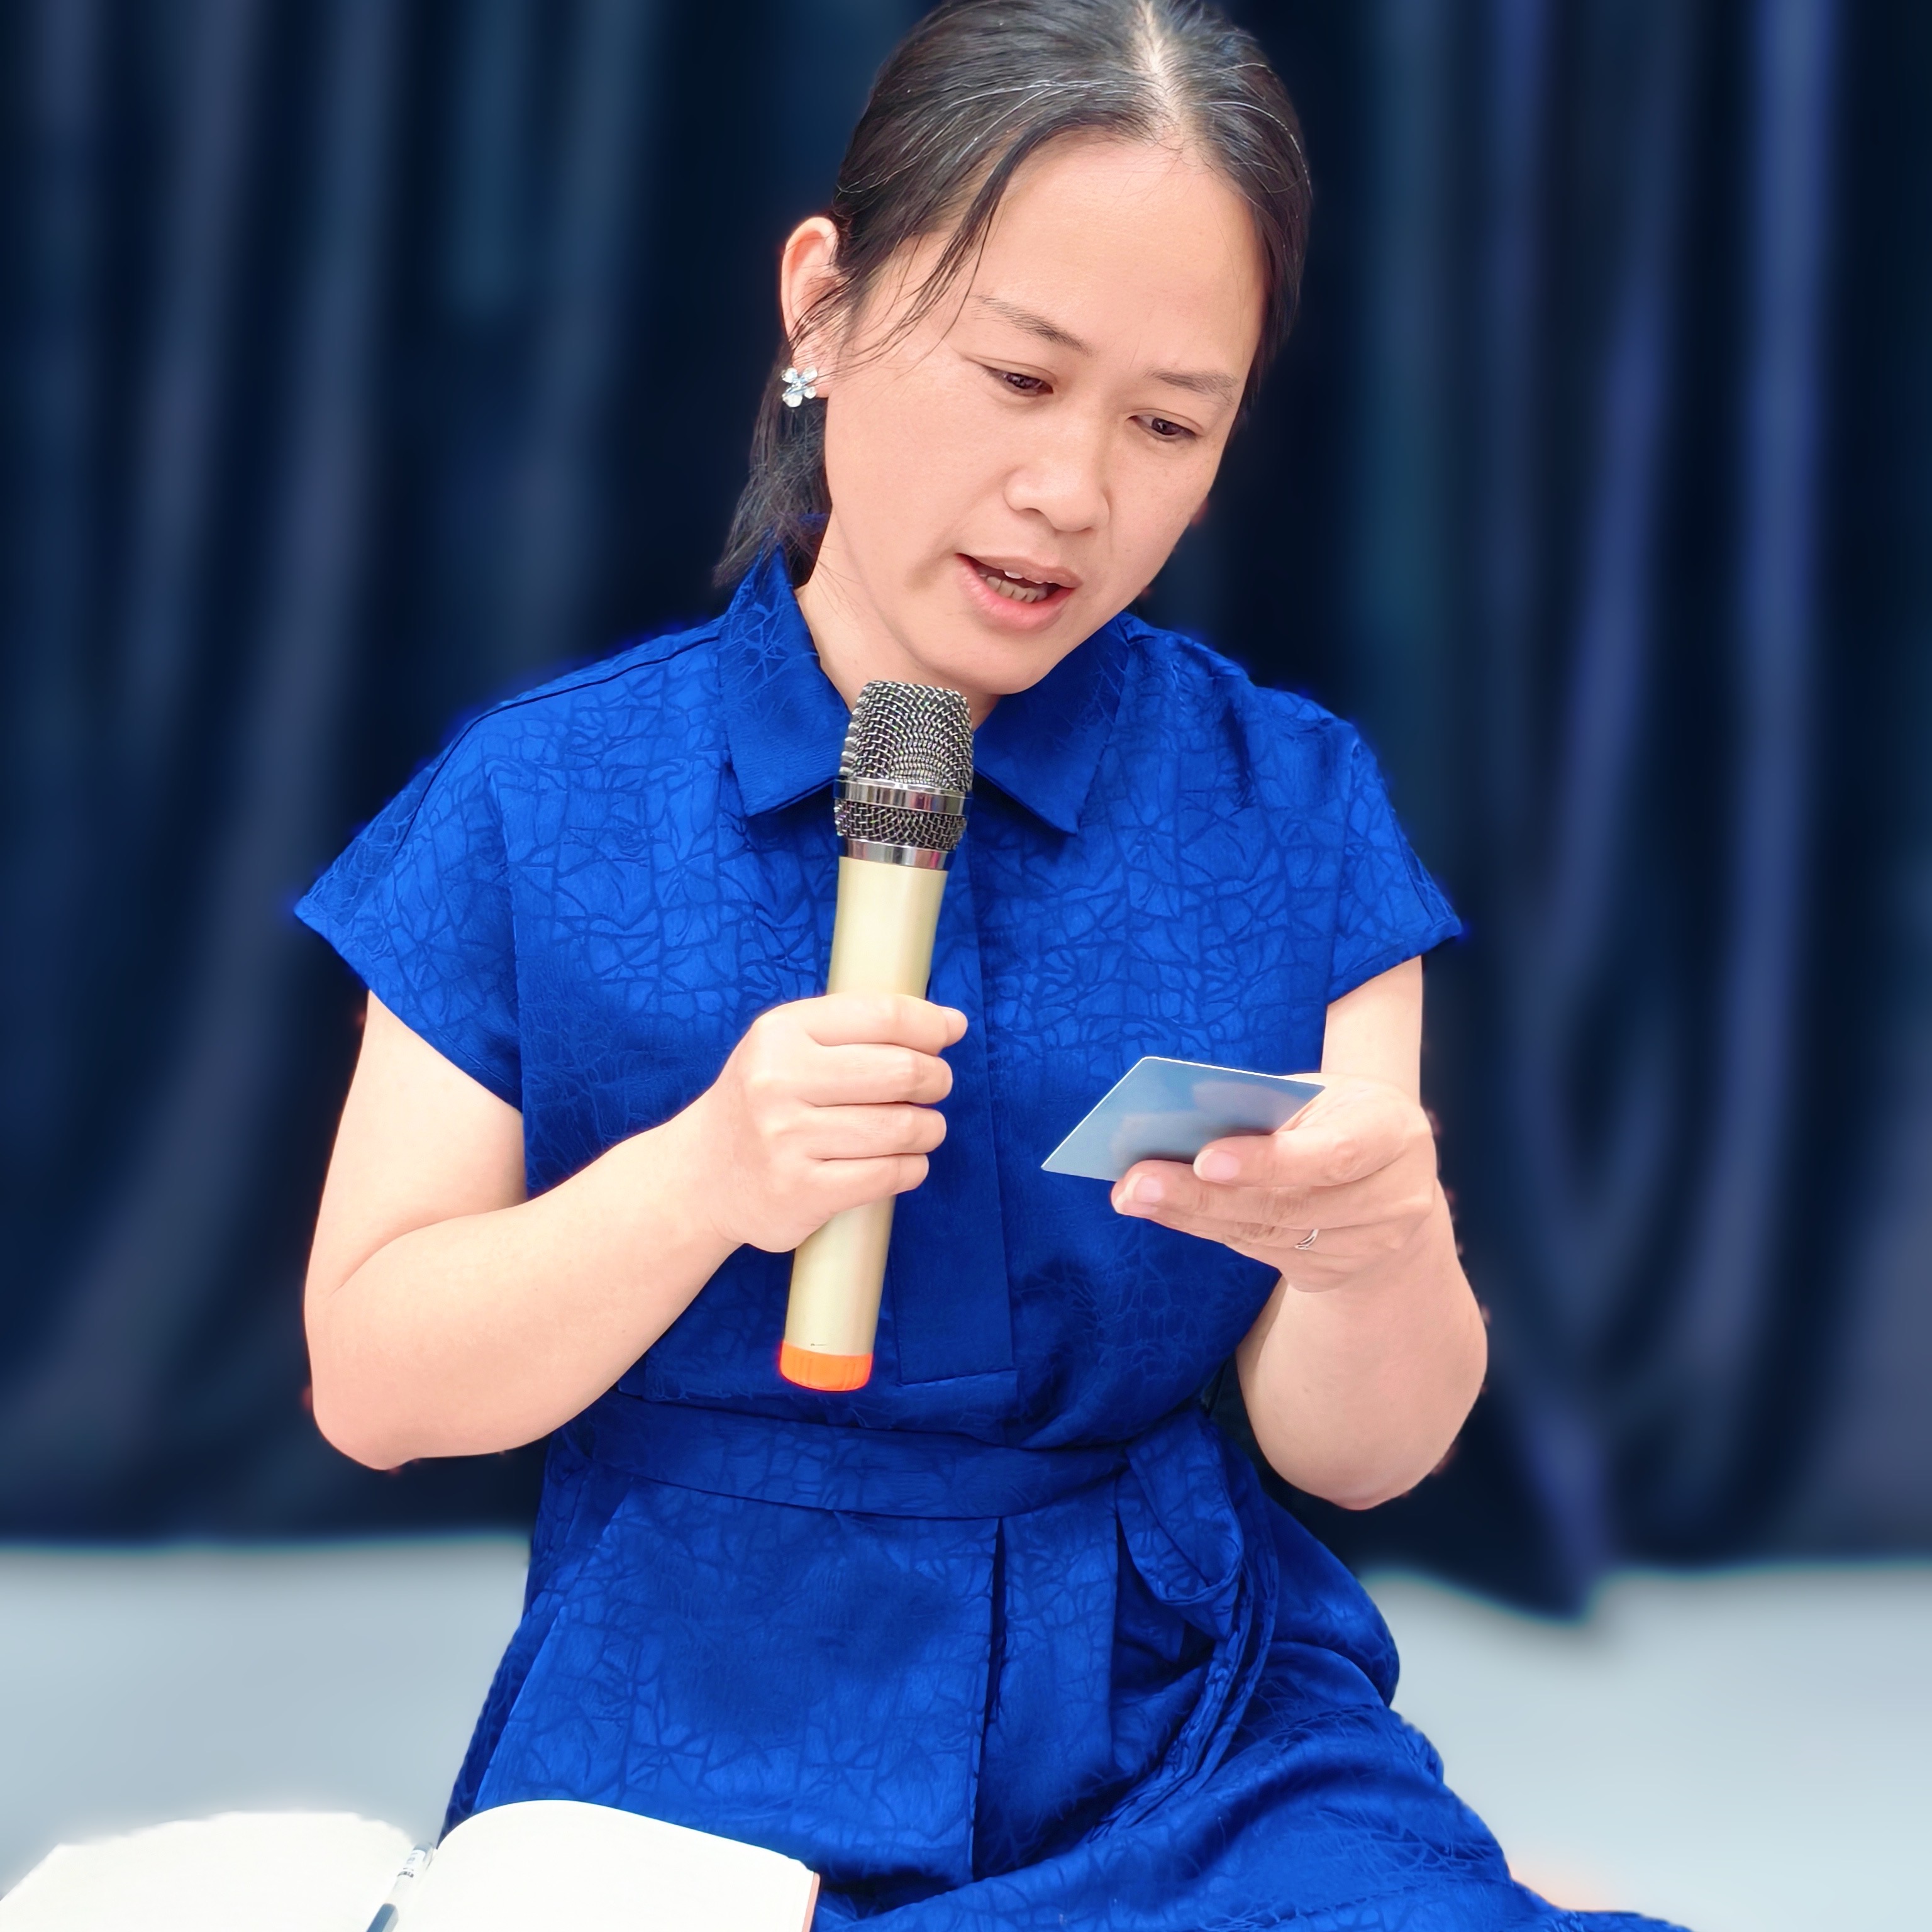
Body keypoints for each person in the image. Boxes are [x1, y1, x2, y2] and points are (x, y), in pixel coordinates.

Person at [297, 3, 1682, 1926]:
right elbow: (374, 1382)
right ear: (823, 305)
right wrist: (701, 1180)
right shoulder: (544, 800)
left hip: (1179, 1733)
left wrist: (1379, 1254)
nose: (1073, 493)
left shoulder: (1291, 805)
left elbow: (1363, 1454)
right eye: (1019, 376)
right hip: (686, 1743)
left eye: (1168, 423)